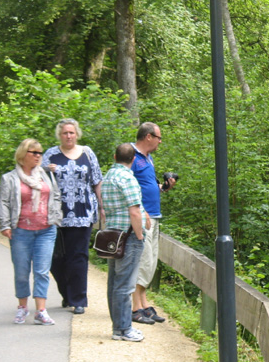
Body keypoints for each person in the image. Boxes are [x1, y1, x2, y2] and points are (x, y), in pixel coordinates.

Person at [42, 118, 105, 314]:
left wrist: (102, 206)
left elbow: (97, 181)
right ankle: (67, 293)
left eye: (71, 132)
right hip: (56, 214)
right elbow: (39, 179)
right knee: (56, 258)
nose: (68, 136)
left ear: (77, 134)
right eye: (65, 133)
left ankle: (79, 300)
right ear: (59, 135)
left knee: (78, 256)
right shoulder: (51, 155)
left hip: (82, 212)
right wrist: (47, 170)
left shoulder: (87, 153)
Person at [0, 139, 62, 325]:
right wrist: (5, 225)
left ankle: (41, 311)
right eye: (34, 152)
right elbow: (4, 202)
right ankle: (22, 307)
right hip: (21, 231)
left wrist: (56, 218)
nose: (38, 156)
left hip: (46, 230)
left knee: (42, 271)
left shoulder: (46, 175)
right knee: (21, 271)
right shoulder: (10, 178)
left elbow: (56, 196)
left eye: (40, 153)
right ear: (22, 154)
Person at [101, 143, 148, 342]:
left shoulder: (108, 177)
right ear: (133, 159)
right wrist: (139, 235)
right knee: (125, 284)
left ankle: (118, 326)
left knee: (114, 281)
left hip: (112, 236)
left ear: (115, 157)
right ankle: (123, 328)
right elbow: (134, 211)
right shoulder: (128, 179)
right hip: (128, 236)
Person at [130, 122, 175, 326]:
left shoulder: (148, 158)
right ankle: (135, 307)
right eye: (159, 137)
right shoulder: (132, 156)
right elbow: (128, 185)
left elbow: (148, 186)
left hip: (154, 216)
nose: (160, 141)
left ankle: (143, 302)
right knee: (143, 260)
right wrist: (140, 211)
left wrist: (164, 187)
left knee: (151, 260)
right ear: (148, 136)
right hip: (143, 217)